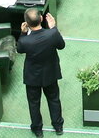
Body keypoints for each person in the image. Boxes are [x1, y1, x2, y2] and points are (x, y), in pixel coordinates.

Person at [16, 8, 65, 137]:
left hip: (33, 77)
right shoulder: (52, 34)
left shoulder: (25, 40)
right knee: (54, 99)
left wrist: (22, 33)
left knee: (34, 103)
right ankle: (58, 126)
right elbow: (61, 45)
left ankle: (38, 129)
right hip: (50, 74)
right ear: (42, 19)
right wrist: (54, 28)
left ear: (26, 23)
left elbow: (20, 50)